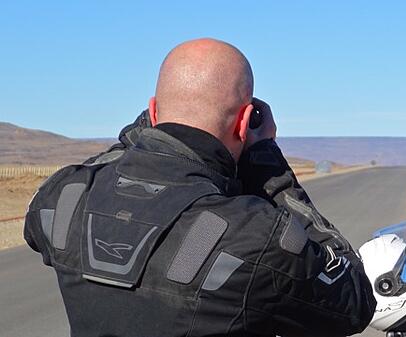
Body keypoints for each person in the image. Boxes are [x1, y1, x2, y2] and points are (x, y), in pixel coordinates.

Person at [23, 38, 376, 337]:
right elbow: (355, 301)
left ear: (153, 111)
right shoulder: (257, 236)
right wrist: (269, 164)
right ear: (245, 121)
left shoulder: (64, 196)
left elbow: (99, 169)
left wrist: (148, 133)